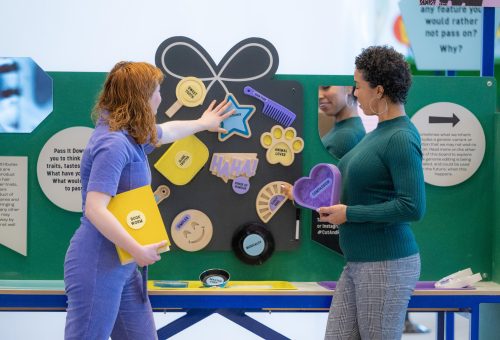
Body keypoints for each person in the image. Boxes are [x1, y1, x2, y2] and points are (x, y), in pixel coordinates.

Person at [64, 61, 233, 340]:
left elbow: (168, 131)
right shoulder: (114, 143)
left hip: (124, 262)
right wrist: (137, 249)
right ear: (140, 96)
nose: (161, 98)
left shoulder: (130, 137)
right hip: (100, 262)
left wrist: (204, 123)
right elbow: (95, 209)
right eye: (156, 91)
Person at [319, 46, 426, 339]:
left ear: (378, 90)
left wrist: (349, 214)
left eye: (359, 86)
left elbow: (412, 207)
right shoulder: (379, 132)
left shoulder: (401, 136)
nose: (355, 92)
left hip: (386, 264)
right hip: (358, 261)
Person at [319, 85, 366, 159]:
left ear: (348, 88)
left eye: (326, 87)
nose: (319, 95)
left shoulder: (346, 136)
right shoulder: (345, 128)